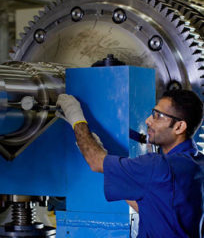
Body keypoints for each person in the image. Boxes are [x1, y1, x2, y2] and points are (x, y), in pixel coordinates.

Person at [56, 89, 204, 238]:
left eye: (158, 116)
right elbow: (155, 206)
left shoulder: (157, 166)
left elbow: (95, 161)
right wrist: (117, 173)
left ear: (179, 127)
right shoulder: (198, 163)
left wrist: (75, 117)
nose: (148, 120)